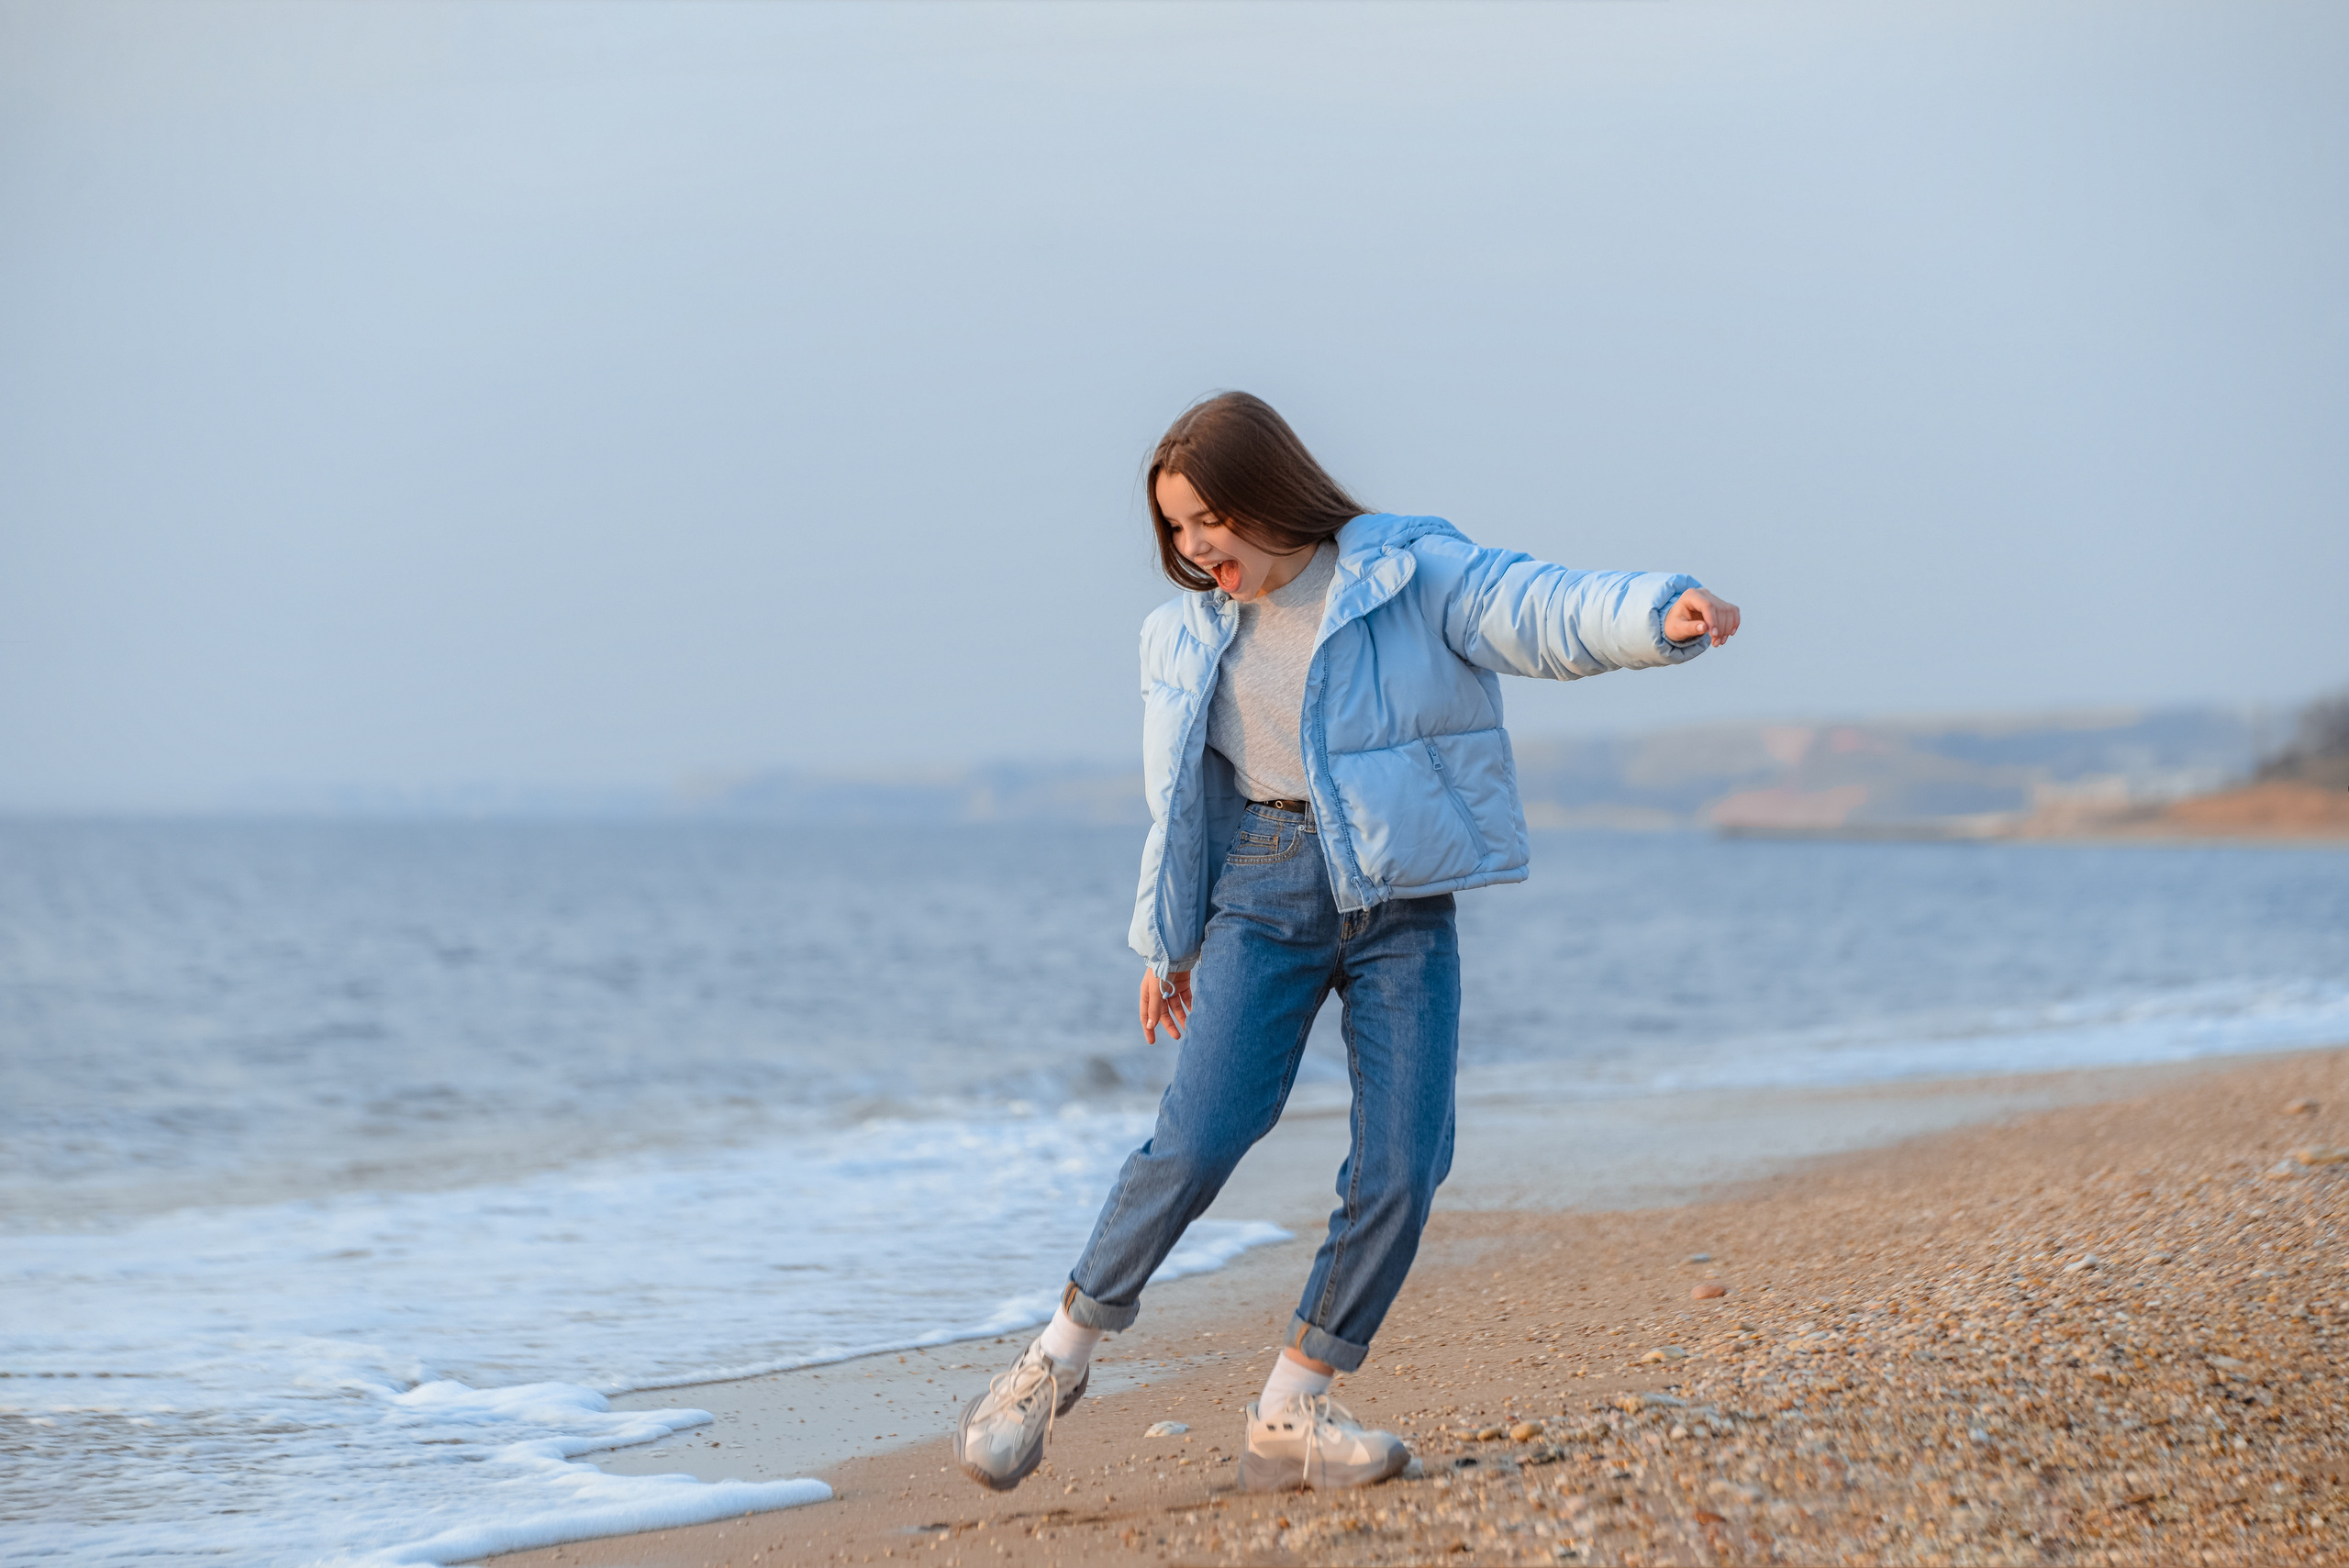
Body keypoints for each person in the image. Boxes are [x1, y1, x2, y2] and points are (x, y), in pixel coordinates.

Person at [954, 391, 1741, 1495]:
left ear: (1265, 496)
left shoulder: (1410, 572)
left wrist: (1656, 613)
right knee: (1197, 1135)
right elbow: (1179, 798)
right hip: (1264, 892)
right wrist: (1164, 940)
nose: (1192, 548)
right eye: (1173, 528)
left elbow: (1543, 607)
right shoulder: (1181, 634)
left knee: (1406, 1162)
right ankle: (1055, 1356)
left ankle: (1292, 1403)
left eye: (1204, 520)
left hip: (1402, 899)